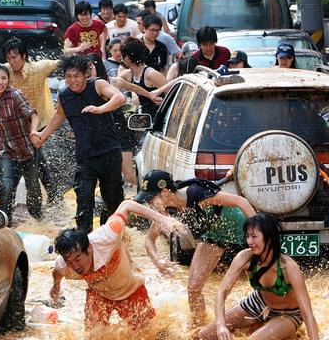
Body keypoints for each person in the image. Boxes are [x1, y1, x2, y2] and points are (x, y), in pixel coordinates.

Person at [138, 170, 255, 327]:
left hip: (240, 229)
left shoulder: (196, 194)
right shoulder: (167, 211)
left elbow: (242, 202)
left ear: (165, 192)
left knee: (258, 282)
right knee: (193, 288)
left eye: (152, 199)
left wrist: (258, 233)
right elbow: (149, 240)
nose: (150, 204)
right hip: (215, 234)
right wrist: (157, 261)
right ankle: (198, 328)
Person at [50, 199, 182, 334]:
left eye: (78, 259)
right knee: (93, 335)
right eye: (69, 261)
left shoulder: (108, 236)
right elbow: (57, 271)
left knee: (149, 334)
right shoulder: (64, 264)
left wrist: (162, 219)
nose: (75, 266)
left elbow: (127, 205)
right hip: (99, 294)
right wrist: (56, 287)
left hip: (131, 289)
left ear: (89, 248)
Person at [34, 55, 126, 232]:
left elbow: (119, 98)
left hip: (109, 153)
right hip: (85, 157)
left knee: (113, 200)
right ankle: (85, 241)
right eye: (68, 76)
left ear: (86, 75)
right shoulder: (64, 95)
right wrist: (42, 136)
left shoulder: (97, 85)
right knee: (83, 201)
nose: (72, 80)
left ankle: (111, 234)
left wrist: (100, 109)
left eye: (76, 75)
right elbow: (59, 115)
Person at [196, 213, 319, 340]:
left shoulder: (289, 267)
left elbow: (307, 314)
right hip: (258, 302)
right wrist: (221, 325)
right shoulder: (245, 258)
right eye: (247, 236)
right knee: (202, 336)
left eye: (254, 236)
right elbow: (221, 292)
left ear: (269, 237)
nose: (249, 241)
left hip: (288, 314)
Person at [3, 38, 64, 206]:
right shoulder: (5, 71)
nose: (12, 61)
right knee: (37, 157)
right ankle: (54, 195)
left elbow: (63, 62)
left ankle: (45, 199)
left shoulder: (39, 68)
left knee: (32, 154)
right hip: (19, 125)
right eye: (9, 58)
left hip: (41, 120)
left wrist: (79, 50)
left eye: (15, 57)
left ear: (24, 56)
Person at [0, 63, 42, 225]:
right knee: (7, 185)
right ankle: (3, 221)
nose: (0, 82)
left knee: (33, 188)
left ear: (8, 80)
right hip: (5, 148)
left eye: (4, 78)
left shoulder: (15, 95)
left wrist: (33, 131)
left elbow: (33, 115)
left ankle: (38, 220)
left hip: (26, 148)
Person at [87, 54, 145, 186]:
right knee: (102, 176)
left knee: (129, 175)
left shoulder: (112, 82)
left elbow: (134, 87)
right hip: (100, 135)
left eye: (91, 68)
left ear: (98, 67)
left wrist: (151, 95)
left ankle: (146, 194)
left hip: (119, 131)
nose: (88, 72)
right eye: (86, 69)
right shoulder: (85, 87)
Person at [118, 37, 167, 116]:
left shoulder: (151, 74)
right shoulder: (128, 74)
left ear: (127, 58)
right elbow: (115, 83)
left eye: (122, 56)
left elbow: (172, 93)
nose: (121, 59)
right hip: (143, 118)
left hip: (159, 117)